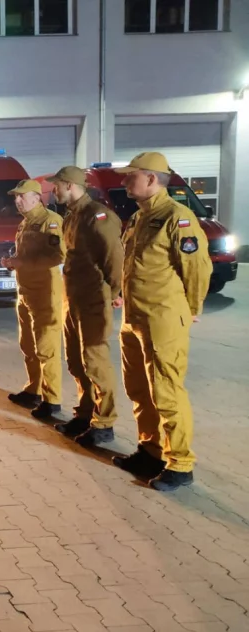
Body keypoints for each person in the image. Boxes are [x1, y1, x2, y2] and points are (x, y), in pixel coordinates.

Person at [112, 152, 212, 491]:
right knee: (140, 389)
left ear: (152, 179)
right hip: (135, 317)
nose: (124, 182)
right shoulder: (140, 218)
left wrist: (193, 307)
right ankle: (150, 450)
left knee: (167, 390)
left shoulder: (177, 218)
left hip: (163, 319)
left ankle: (180, 463)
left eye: (131, 176)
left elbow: (197, 267)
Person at [47, 166, 123, 448]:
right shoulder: (73, 216)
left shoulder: (97, 215)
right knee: (78, 361)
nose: (54, 190)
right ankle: (85, 412)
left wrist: (113, 291)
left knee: (95, 360)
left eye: (57, 185)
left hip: (93, 297)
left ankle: (104, 422)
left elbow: (113, 257)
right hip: (74, 297)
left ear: (69, 185)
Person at [2, 179, 65, 421]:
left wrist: (22, 263)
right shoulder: (26, 222)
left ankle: (53, 400)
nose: (17, 201)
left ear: (37, 197)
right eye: (15, 197)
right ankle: (33, 390)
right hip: (26, 292)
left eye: (21, 196)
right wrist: (12, 262)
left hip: (44, 293)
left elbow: (57, 256)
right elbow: (25, 255)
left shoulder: (50, 221)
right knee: (28, 346)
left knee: (46, 349)